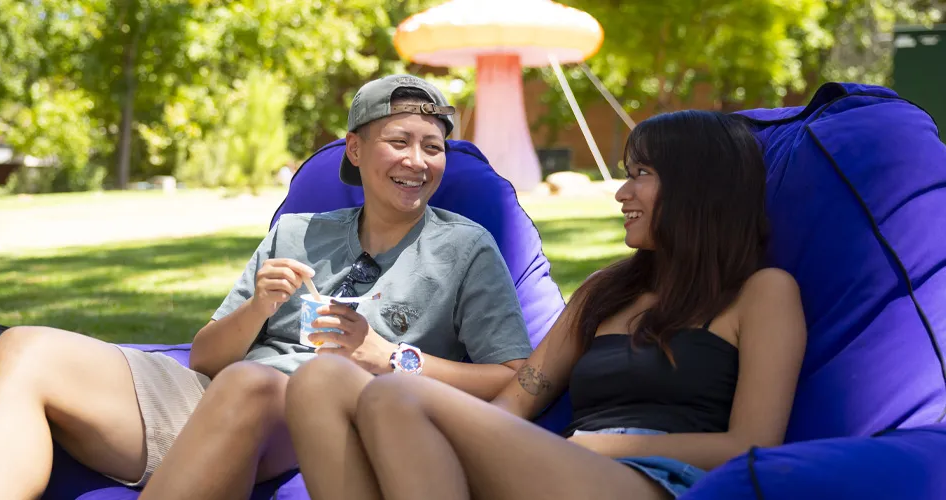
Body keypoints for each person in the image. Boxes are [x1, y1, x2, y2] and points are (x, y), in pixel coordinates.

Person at [0, 74, 533, 500]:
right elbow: (206, 356)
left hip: (319, 416)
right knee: (21, 347)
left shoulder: (465, 248)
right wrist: (259, 307)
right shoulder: (298, 232)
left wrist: (388, 356)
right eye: (399, 141)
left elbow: (513, 376)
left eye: (433, 147)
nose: (418, 160)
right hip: (210, 396)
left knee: (250, 384)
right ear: (355, 150)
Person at [284, 109, 808, 500]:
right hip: (562, 468)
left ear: (699, 190)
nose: (623, 193)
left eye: (641, 174)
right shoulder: (606, 292)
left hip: (659, 481)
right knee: (320, 381)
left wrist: (598, 448)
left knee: (395, 397)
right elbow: (515, 404)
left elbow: (752, 445)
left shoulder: (762, 293)